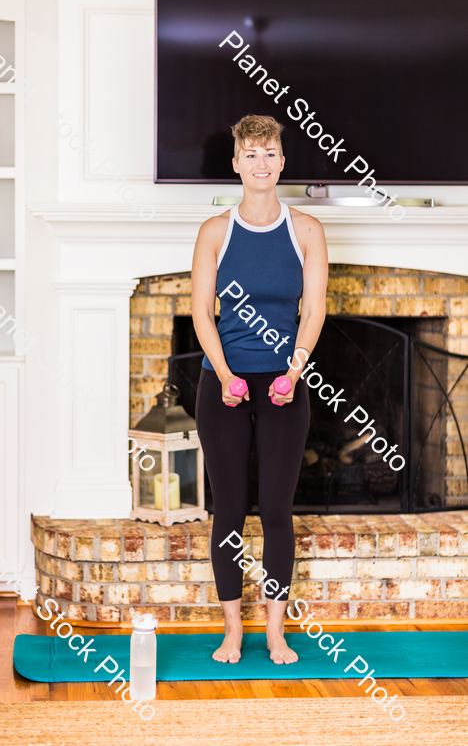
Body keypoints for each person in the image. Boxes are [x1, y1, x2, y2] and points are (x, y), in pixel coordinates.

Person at [191, 115, 328, 664]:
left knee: (275, 507)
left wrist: (293, 373)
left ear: (283, 161)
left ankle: (274, 631)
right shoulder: (214, 232)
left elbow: (313, 311)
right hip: (221, 379)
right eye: (251, 154)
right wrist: (225, 376)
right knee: (228, 508)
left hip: (284, 382)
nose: (262, 163)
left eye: (270, 152)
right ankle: (233, 631)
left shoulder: (308, 230)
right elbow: (202, 313)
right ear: (236, 163)